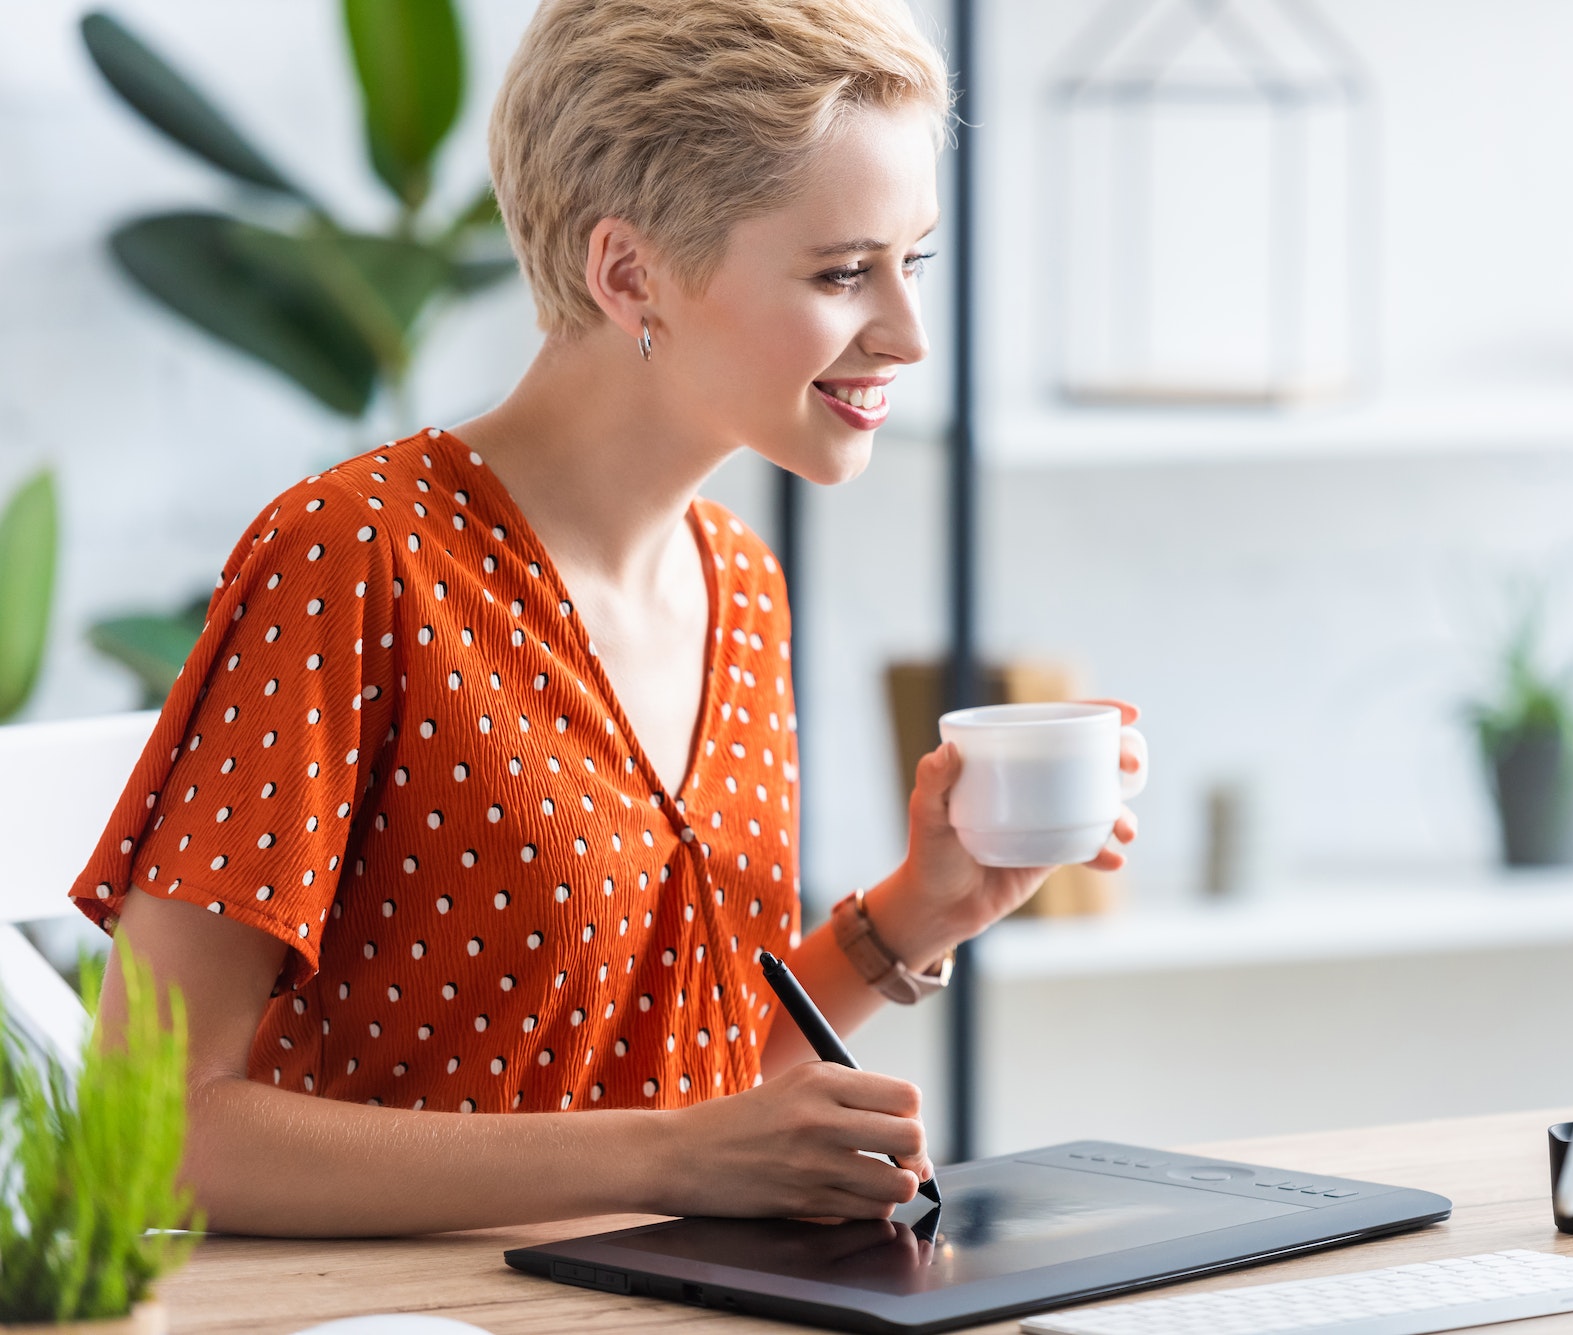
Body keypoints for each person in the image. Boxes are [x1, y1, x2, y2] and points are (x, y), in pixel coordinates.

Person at [70, 0, 1140, 1238]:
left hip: (655, 1301)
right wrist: (670, 1161)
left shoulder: (738, 583)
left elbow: (674, 1081)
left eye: (915, 262)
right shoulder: (355, 557)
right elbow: (152, 1126)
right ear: (628, 273)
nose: (905, 332)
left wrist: (925, 908)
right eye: (844, 271)